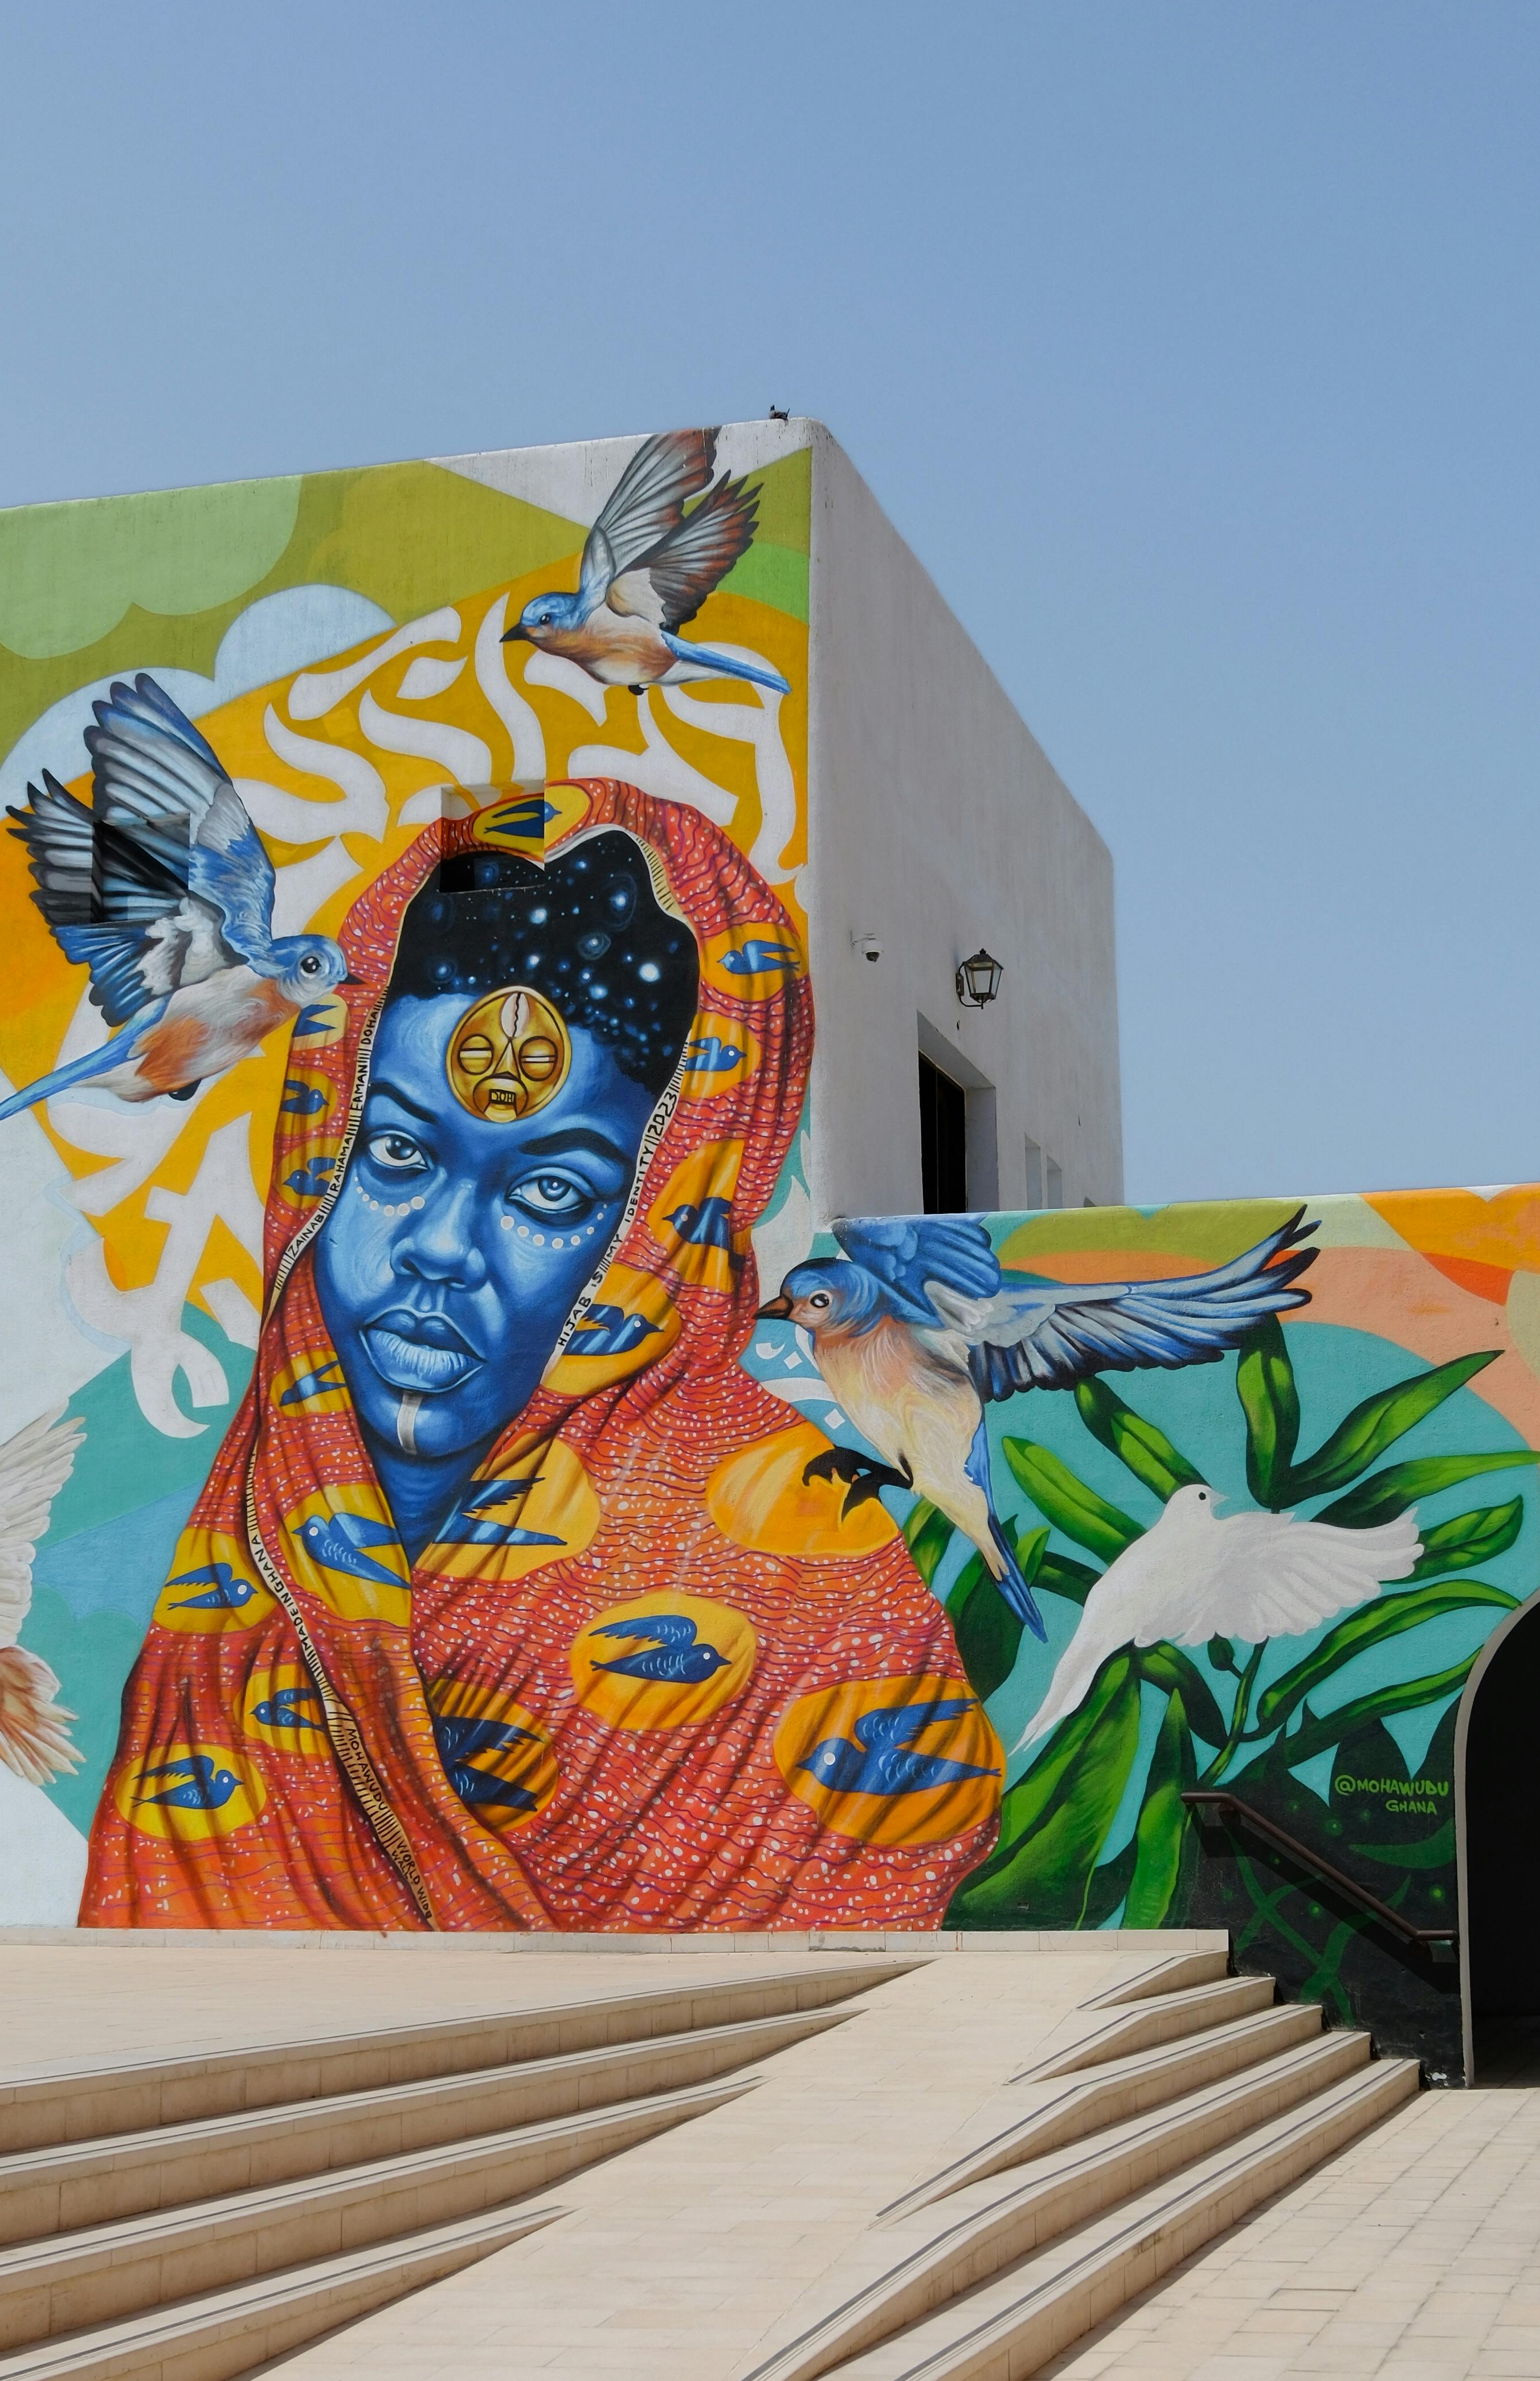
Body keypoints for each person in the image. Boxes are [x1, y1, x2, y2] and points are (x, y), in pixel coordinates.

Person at [81, 785, 1002, 1927]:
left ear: (659, 1223)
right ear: (323, 1149)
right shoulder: (255, 1543)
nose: (440, 1252)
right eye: (403, 1154)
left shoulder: (800, 1583)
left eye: (550, 1190)